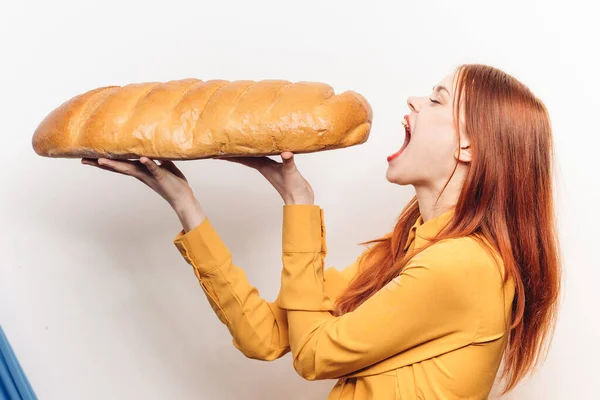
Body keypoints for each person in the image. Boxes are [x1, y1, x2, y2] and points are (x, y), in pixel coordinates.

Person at [81, 64, 562, 399]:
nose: (414, 99)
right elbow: (266, 337)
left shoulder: (464, 265)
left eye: (437, 98)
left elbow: (312, 356)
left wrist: (299, 206)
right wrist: (185, 203)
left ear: (470, 147)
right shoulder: (409, 249)